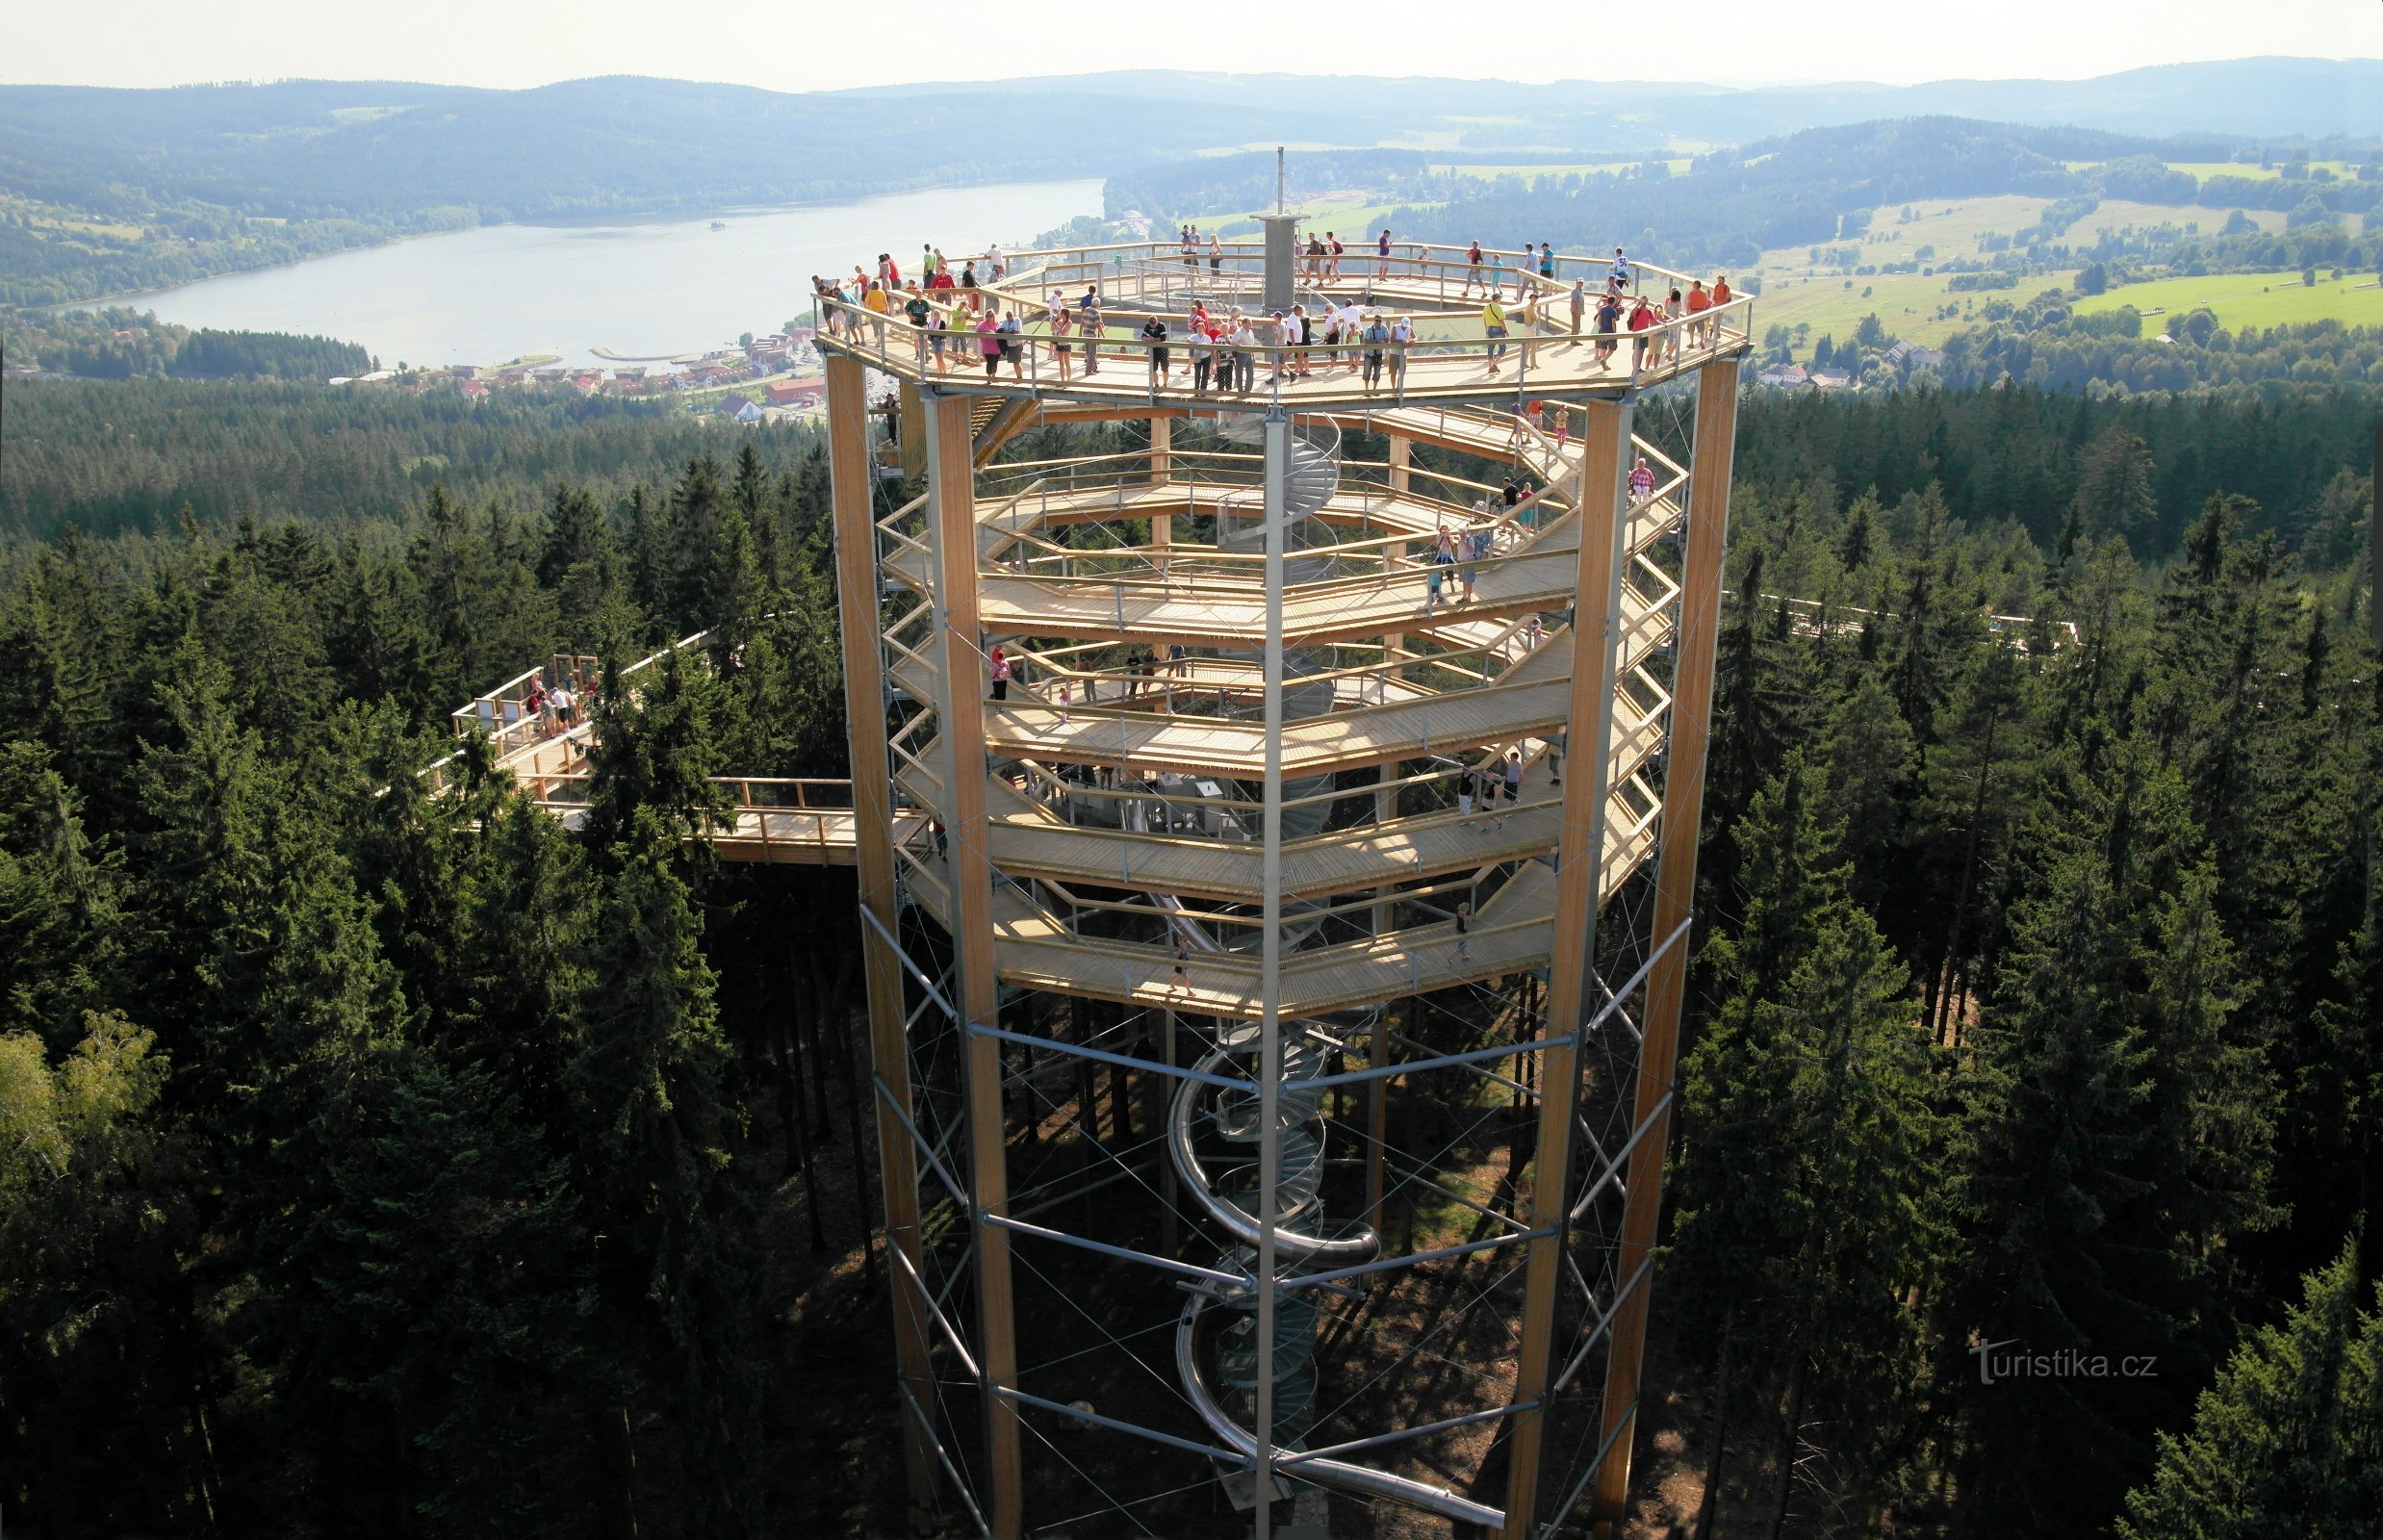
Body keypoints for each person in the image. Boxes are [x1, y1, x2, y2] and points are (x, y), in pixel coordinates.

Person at [1361, 310, 1390, 392]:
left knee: (1377, 373)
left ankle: (1375, 389)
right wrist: (1377, 342)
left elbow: (1387, 339)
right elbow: (1366, 340)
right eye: (1377, 320)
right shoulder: (1370, 329)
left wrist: (1379, 341)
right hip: (1369, 353)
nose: (1378, 322)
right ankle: (1366, 389)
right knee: (1367, 372)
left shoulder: (1384, 328)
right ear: (1374, 320)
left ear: (1382, 321)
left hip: (1379, 353)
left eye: (1380, 321)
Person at [1482, 295, 1509, 372]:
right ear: (1497, 299)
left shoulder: (1486, 307)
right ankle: (1495, 365)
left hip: (1490, 329)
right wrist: (1506, 331)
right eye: (1500, 298)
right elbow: (1501, 320)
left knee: (1490, 348)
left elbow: (1484, 319)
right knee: (1502, 347)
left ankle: (1490, 367)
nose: (1500, 299)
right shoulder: (1498, 307)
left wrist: (1486, 330)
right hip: (1498, 329)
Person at [1080, 292, 1104, 376]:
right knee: (1092, 353)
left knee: (1088, 352)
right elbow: (1098, 325)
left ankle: (1094, 368)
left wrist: (1079, 333)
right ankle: (1089, 371)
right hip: (1092, 335)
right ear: (1098, 304)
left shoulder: (1086, 309)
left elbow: (1082, 322)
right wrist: (1103, 336)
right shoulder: (1096, 312)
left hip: (1085, 333)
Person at [1049, 304, 1075, 382]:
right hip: (1060, 344)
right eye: (1060, 314)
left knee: (1067, 363)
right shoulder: (1060, 321)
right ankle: (1062, 380)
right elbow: (1052, 329)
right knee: (1061, 363)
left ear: (1066, 315)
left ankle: (1068, 380)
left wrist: (1057, 327)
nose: (1060, 315)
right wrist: (1053, 322)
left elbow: (1063, 332)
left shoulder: (1069, 323)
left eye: (1062, 314)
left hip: (1066, 344)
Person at [997, 309, 1024, 379]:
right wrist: (1009, 332)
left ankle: (1020, 377)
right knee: (1014, 362)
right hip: (1009, 344)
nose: (1009, 317)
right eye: (1007, 315)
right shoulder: (1005, 322)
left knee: (1016, 362)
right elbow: (999, 330)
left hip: (1018, 344)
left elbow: (1017, 331)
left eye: (1010, 315)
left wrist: (1005, 332)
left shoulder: (1017, 320)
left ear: (1013, 315)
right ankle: (1018, 376)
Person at [862, 278, 890, 346]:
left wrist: (867, 310)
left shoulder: (870, 292)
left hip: (873, 312)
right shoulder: (881, 292)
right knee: (881, 326)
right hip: (882, 311)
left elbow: (867, 302)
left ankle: (879, 341)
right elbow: (886, 303)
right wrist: (887, 311)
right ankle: (882, 341)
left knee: (875, 327)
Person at [1142, 315, 1169, 382]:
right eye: (1151, 324)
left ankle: (1165, 383)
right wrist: (1148, 338)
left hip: (1162, 349)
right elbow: (1143, 336)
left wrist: (1154, 339)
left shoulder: (1162, 326)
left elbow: (1163, 338)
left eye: (1154, 323)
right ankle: (1156, 385)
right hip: (1153, 350)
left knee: (1165, 368)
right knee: (1153, 369)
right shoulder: (1147, 326)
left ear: (1157, 322)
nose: (1152, 325)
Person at [1389, 313, 1414, 388]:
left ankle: (1398, 387)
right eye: (1403, 326)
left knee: (1402, 372)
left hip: (1403, 353)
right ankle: (1393, 388)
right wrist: (1401, 341)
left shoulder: (1409, 328)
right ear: (1401, 323)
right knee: (1393, 372)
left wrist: (1413, 340)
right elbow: (1392, 339)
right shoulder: (1395, 327)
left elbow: (1415, 337)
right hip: (1394, 353)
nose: (1405, 328)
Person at [1685, 278, 1712, 347]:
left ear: (1696, 285)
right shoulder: (1704, 293)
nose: (1692, 285)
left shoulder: (1692, 293)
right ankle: (1701, 342)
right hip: (1701, 312)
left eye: (1693, 284)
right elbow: (1705, 303)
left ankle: (1691, 343)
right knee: (1701, 328)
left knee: (1691, 329)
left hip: (1693, 311)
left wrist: (1687, 313)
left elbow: (1689, 303)